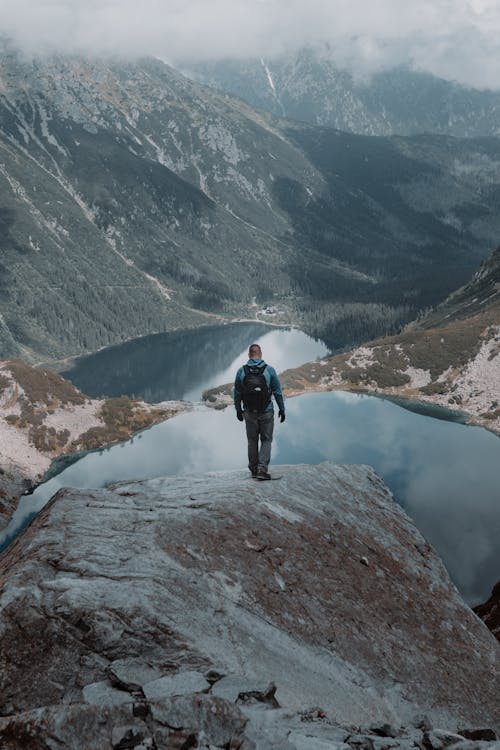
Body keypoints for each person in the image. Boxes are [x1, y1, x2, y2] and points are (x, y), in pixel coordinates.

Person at [234, 343, 285, 480]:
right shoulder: (269, 370)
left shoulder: (241, 371)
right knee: (266, 440)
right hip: (266, 411)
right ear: (260, 354)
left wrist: (238, 410)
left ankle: (253, 469)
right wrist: (282, 409)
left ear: (249, 355)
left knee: (252, 440)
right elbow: (277, 392)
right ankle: (262, 469)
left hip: (249, 412)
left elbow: (237, 393)